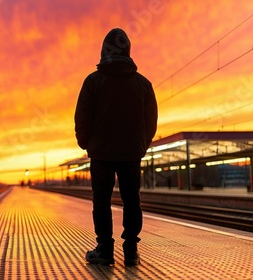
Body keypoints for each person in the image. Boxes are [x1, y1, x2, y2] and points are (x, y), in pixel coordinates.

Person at [74, 28, 158, 266]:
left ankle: (105, 249)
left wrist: (87, 143)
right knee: (132, 199)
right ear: (128, 51)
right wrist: (141, 145)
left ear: (104, 51)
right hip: (131, 152)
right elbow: (150, 121)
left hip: (101, 152)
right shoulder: (143, 84)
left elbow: (83, 116)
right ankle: (130, 251)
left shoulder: (93, 81)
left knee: (101, 200)